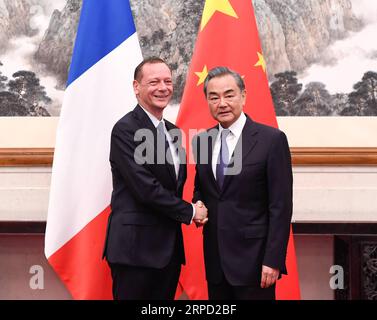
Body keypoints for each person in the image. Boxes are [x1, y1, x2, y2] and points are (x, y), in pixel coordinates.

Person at [103, 57, 208, 300]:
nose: (163, 88)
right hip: (134, 250)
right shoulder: (125, 129)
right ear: (136, 87)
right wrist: (191, 212)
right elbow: (145, 188)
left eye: (167, 81)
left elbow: (174, 186)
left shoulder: (173, 132)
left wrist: (200, 204)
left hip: (168, 251)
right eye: (154, 82)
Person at [192, 66, 293, 300]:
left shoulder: (271, 140)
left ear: (243, 96)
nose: (222, 103)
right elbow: (203, 188)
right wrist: (198, 203)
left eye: (229, 94)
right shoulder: (202, 141)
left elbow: (281, 207)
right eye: (214, 97)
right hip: (216, 263)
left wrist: (273, 259)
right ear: (207, 101)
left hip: (256, 264)